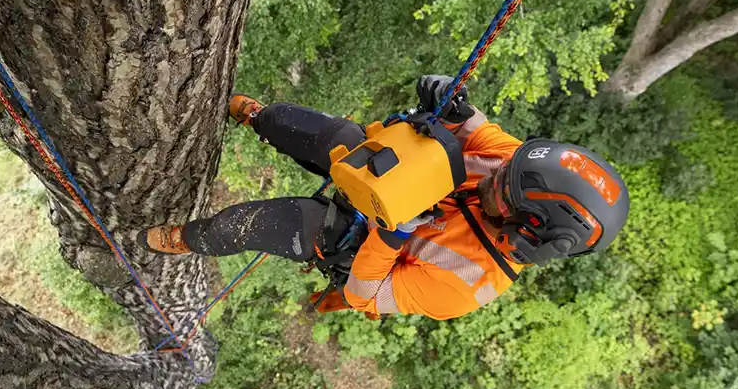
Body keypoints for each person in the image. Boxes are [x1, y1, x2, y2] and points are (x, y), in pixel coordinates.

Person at [138, 76, 630, 320]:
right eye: (507, 172)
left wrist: (389, 235)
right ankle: (261, 118)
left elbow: (362, 296)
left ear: (527, 234)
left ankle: (189, 237)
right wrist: (453, 103)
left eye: (502, 192)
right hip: (394, 178)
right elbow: (479, 131)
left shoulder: (465, 286)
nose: (492, 180)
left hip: (364, 244)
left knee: (259, 223)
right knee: (325, 134)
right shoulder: (513, 167)